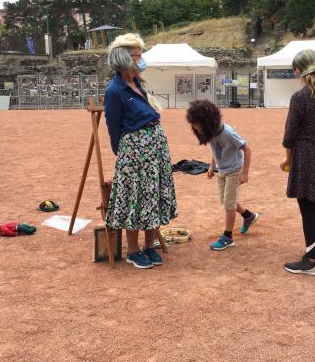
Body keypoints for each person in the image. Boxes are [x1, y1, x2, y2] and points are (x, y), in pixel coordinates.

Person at [104, 33, 177, 269]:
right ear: (123, 58)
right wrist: (126, 154)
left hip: (154, 151)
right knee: (135, 199)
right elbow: (113, 128)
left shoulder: (138, 83)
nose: (141, 59)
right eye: (137, 56)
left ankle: (149, 245)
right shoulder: (115, 90)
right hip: (134, 154)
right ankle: (133, 250)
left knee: (152, 196)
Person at [281, 50, 315, 276]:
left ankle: (312, 259)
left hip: (306, 157)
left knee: (307, 205)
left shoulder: (300, 97)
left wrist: (287, 159)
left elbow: (290, 134)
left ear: (298, 71)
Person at [186, 100, 259, 251]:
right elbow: (215, 150)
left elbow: (247, 149)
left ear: (206, 122)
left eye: (198, 128)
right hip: (222, 170)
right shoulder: (211, 132)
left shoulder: (228, 133)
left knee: (228, 203)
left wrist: (245, 173)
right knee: (226, 201)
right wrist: (212, 166)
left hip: (234, 170)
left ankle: (227, 237)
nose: (197, 131)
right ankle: (248, 216)